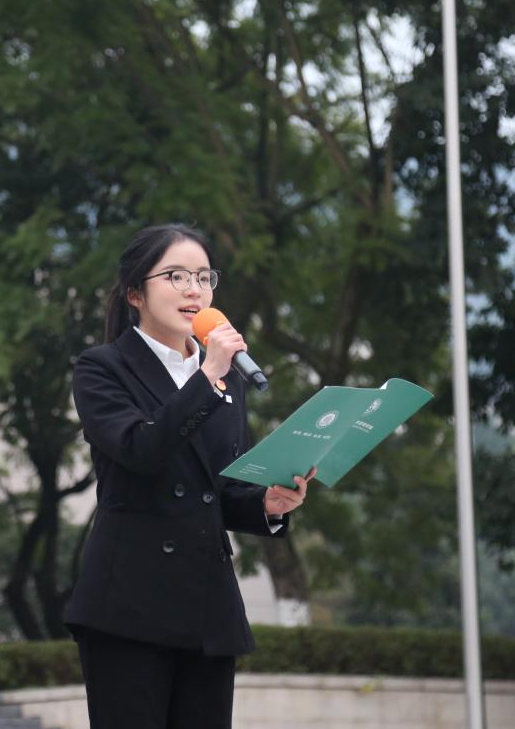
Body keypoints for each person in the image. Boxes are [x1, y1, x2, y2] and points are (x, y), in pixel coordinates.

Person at [65, 223, 315, 729]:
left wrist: (266, 504)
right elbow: (141, 450)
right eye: (175, 276)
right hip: (128, 604)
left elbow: (217, 490)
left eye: (203, 277)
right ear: (135, 293)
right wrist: (207, 377)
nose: (193, 289)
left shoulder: (225, 380)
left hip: (207, 606)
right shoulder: (102, 368)